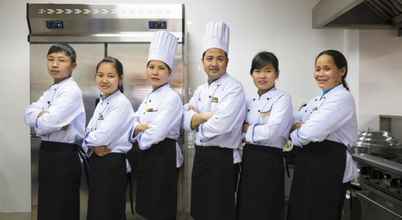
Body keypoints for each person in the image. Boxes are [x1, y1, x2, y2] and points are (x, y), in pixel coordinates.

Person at [183, 21, 246, 220]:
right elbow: (184, 117)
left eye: (220, 58)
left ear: (227, 62)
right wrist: (202, 117)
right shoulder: (201, 90)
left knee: (220, 211)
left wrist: (196, 122)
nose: (214, 63)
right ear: (202, 62)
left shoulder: (234, 88)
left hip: (223, 159)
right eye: (209, 58)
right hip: (202, 156)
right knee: (200, 210)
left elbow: (222, 124)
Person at [287, 49, 358, 220]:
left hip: (328, 164)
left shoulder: (342, 98)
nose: (320, 74)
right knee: (301, 211)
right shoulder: (318, 99)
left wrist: (294, 134)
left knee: (320, 213)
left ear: (342, 71)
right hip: (310, 162)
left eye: (326, 68)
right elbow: (296, 118)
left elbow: (310, 133)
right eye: (317, 69)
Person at [24, 43, 85, 220]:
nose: (55, 64)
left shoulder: (71, 91)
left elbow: (48, 123)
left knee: (62, 206)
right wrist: (41, 118)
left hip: (64, 156)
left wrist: (43, 118)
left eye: (61, 60)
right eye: (50, 60)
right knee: (48, 205)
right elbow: (28, 113)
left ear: (73, 65)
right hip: (48, 152)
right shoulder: (52, 89)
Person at [127, 30, 183, 220]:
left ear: (169, 72)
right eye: (151, 67)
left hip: (163, 156)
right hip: (147, 156)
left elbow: (158, 133)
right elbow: (133, 122)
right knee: (147, 207)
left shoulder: (172, 98)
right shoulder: (149, 97)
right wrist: (139, 127)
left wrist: (142, 129)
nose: (155, 72)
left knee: (161, 206)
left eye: (161, 68)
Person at [237, 51, 293, 220]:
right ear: (251, 74)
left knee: (267, 208)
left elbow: (274, 132)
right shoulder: (248, 101)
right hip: (248, 159)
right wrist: (253, 129)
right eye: (257, 71)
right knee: (246, 207)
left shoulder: (282, 98)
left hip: (270, 161)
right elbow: (236, 128)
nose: (262, 76)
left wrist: (247, 128)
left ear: (276, 74)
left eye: (268, 71)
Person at [84, 56, 134, 220]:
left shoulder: (121, 103)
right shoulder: (103, 101)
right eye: (100, 75)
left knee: (108, 211)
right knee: (98, 210)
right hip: (98, 161)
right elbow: (90, 133)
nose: (104, 80)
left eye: (110, 76)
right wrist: (90, 140)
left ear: (120, 79)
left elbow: (100, 139)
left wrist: (87, 139)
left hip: (111, 163)